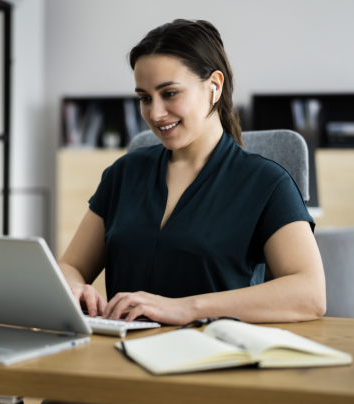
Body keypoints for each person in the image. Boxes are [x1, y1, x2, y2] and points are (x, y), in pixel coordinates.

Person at [58, 19, 326, 326]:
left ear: (214, 86)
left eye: (169, 93)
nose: (155, 114)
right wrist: (74, 287)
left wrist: (186, 308)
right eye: (145, 98)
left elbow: (310, 294)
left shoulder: (267, 183)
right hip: (120, 355)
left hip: (213, 360)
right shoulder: (123, 173)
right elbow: (71, 265)